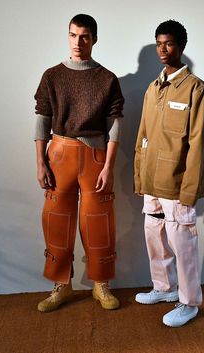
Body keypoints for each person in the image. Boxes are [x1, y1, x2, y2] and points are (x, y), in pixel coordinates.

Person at [34, 14, 124, 312]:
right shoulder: (52, 75)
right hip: (59, 154)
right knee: (57, 221)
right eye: (73, 35)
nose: (78, 42)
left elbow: (113, 124)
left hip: (95, 156)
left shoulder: (107, 78)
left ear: (94, 39)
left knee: (99, 221)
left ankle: (101, 284)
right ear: (68, 36)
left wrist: (109, 166)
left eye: (84, 36)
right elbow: (42, 118)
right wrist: (41, 162)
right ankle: (61, 285)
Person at [134, 20, 204, 327]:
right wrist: (140, 177)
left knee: (183, 243)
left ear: (181, 46)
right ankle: (164, 288)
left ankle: (189, 302)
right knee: (154, 236)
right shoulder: (153, 89)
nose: (162, 50)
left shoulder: (195, 88)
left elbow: (198, 144)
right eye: (158, 43)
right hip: (152, 181)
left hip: (177, 184)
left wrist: (189, 189)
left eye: (169, 44)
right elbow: (143, 136)